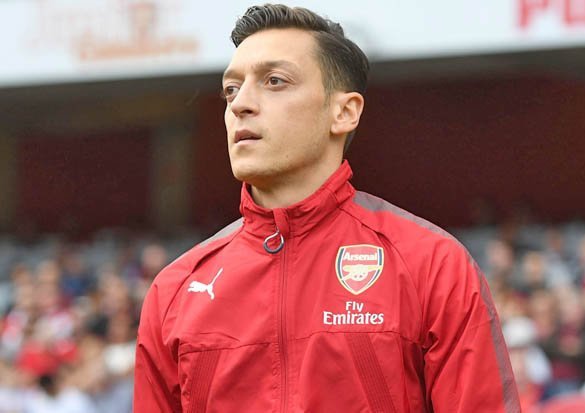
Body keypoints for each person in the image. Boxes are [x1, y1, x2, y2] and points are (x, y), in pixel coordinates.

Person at [134, 4, 521, 412]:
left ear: (344, 112)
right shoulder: (175, 291)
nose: (240, 104)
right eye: (231, 89)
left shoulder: (432, 266)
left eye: (275, 81)